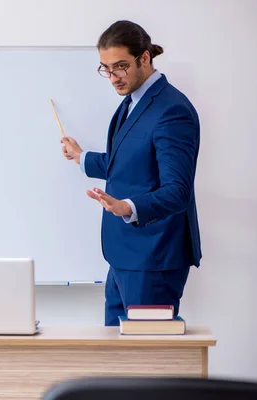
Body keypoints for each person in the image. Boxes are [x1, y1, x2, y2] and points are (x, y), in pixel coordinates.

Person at [61, 20, 202, 326]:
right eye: (105, 68)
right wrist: (81, 157)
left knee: (145, 362)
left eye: (121, 66)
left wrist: (128, 207)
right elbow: (128, 161)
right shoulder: (132, 103)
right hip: (124, 256)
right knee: (119, 360)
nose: (112, 77)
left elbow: (178, 190)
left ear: (145, 58)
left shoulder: (171, 110)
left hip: (154, 256)